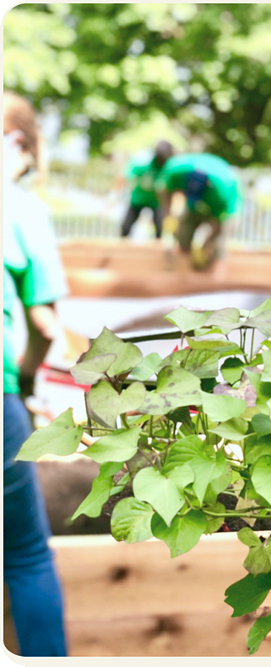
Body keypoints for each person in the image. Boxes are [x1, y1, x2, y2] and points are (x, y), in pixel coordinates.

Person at [2, 92, 69, 657]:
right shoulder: (20, 206)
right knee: (24, 554)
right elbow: (46, 326)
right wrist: (25, 387)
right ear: (17, 143)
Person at [155, 152, 242, 279]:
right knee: (184, 234)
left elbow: (220, 223)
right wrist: (168, 218)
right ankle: (184, 276)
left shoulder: (223, 191)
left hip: (225, 207)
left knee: (218, 246)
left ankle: (215, 280)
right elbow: (163, 191)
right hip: (195, 206)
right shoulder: (175, 170)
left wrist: (207, 243)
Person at [118, 141, 175, 239]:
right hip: (138, 198)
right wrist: (117, 194)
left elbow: (170, 190)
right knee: (125, 229)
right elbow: (124, 175)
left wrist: (168, 209)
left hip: (155, 201)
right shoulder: (142, 163)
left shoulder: (169, 168)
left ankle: (157, 250)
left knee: (159, 230)